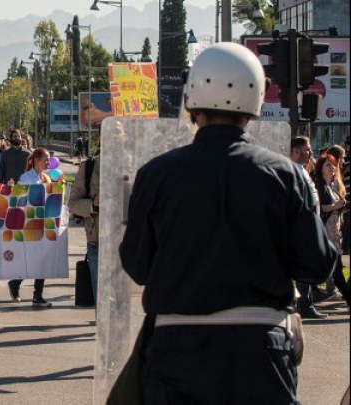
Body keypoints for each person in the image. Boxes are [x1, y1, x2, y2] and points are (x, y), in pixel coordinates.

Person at [119, 42, 337, 405]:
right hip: (261, 352)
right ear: (255, 102)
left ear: (191, 99)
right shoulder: (285, 175)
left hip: (176, 352)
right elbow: (316, 264)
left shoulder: (156, 175)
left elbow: (138, 265)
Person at [289, 135, 332, 318]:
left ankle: (304, 303)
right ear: (295, 151)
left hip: (309, 224)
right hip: (299, 227)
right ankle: (303, 305)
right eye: (307, 149)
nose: (311, 152)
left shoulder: (303, 170)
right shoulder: (292, 171)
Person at [7, 147, 53, 308]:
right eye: (46, 159)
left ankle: (37, 295)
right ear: (36, 160)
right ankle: (16, 282)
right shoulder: (26, 177)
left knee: (43, 259)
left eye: (49, 159)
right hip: (29, 223)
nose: (48, 162)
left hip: (44, 223)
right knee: (32, 259)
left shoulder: (46, 178)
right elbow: (18, 197)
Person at [314, 154, 350, 307]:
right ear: (321, 168)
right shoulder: (320, 186)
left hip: (334, 233)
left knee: (334, 270)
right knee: (336, 272)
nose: (332, 167)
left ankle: (308, 298)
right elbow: (317, 208)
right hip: (325, 233)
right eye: (328, 165)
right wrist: (335, 206)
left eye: (333, 165)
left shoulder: (332, 186)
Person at [68, 149, 100, 302]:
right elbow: (72, 204)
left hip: (128, 241)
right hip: (97, 242)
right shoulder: (89, 167)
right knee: (101, 301)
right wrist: (93, 204)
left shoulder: (133, 165)